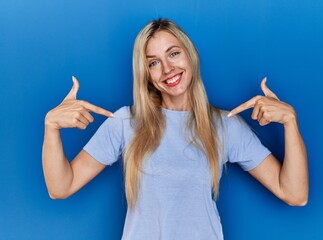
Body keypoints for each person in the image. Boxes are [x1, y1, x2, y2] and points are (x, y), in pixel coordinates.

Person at [42, 19, 308, 240]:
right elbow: (61, 187)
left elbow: (295, 194)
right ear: (146, 74)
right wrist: (51, 127)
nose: (167, 68)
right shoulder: (125, 123)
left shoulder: (225, 125)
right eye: (153, 62)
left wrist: (290, 122)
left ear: (190, 55)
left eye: (173, 53)